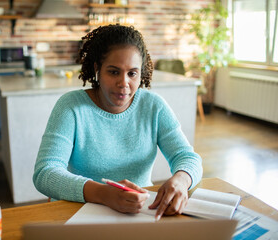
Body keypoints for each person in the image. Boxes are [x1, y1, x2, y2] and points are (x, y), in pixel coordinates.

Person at [33, 24, 202, 220]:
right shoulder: (71, 107)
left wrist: (181, 180)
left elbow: (188, 157)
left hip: (138, 213)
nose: (124, 83)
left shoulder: (154, 106)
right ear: (97, 69)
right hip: (78, 212)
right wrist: (104, 194)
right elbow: (45, 173)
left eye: (132, 73)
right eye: (114, 72)